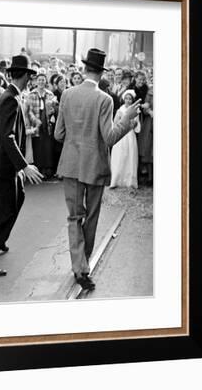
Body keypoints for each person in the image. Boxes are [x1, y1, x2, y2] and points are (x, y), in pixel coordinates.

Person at [54, 48, 141, 291]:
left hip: (70, 165)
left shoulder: (67, 95)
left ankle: (78, 266)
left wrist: (76, 140)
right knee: (90, 218)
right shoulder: (105, 99)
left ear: (84, 69)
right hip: (94, 167)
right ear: (101, 73)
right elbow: (110, 137)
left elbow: (58, 134)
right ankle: (84, 267)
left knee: (74, 217)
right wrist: (128, 120)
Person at [0, 55, 43, 277]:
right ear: (25, 75)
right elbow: (8, 137)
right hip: (6, 166)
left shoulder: (12, 96)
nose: (31, 79)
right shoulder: (11, 99)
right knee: (5, 212)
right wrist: (24, 166)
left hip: (7, 165)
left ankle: (1, 240)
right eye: (30, 76)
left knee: (17, 199)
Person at [26, 72, 57, 179]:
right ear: (36, 82)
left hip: (47, 123)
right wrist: (35, 120)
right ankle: (39, 169)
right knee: (38, 146)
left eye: (43, 80)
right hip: (37, 123)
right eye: (39, 80)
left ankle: (48, 168)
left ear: (46, 81)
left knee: (48, 146)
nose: (41, 82)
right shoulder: (31, 94)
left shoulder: (50, 94)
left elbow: (53, 109)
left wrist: (52, 111)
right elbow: (29, 111)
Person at [110, 90, 142, 189]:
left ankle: (130, 181)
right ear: (124, 99)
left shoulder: (135, 110)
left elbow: (137, 125)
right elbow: (115, 123)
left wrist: (133, 123)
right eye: (126, 98)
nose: (128, 101)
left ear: (132, 100)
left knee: (130, 155)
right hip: (121, 135)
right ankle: (116, 180)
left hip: (130, 135)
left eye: (130, 99)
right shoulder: (120, 110)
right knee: (119, 155)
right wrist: (121, 120)